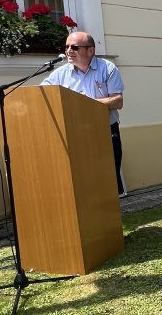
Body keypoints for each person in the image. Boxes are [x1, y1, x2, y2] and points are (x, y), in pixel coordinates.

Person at [42, 32, 126, 195]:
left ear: (90, 51)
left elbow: (117, 101)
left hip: (105, 132)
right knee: (81, 181)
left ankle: (109, 217)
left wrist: (82, 103)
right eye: (66, 47)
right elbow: (42, 95)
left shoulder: (107, 68)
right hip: (74, 134)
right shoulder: (61, 73)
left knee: (107, 180)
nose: (69, 51)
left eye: (74, 47)